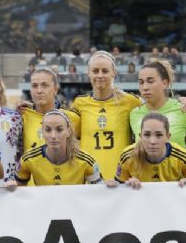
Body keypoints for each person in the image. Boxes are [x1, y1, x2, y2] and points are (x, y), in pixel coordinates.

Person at [71, 51, 141, 180]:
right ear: (89, 73)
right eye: (95, 71)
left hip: (121, 179)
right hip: (89, 179)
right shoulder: (79, 103)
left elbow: (156, 108)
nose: (100, 75)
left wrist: (181, 102)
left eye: (105, 71)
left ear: (114, 72)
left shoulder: (130, 101)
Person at [9, 110, 101, 187]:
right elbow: (18, 191)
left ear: (68, 131)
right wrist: (12, 187)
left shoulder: (86, 161)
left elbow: (101, 192)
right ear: (42, 132)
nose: (53, 136)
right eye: (48, 130)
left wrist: (108, 186)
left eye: (59, 129)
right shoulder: (28, 159)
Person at [129, 60, 186, 148]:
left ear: (165, 83)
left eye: (150, 81)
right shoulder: (134, 114)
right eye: (141, 82)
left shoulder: (185, 109)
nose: (145, 87)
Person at [113, 112, 186, 188]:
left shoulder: (183, 157)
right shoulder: (127, 156)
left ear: (168, 137)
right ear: (140, 136)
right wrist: (127, 185)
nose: (152, 141)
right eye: (147, 135)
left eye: (159, 135)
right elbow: (118, 191)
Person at [21, 67, 82, 155]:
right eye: (34, 86)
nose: (39, 91)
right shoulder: (22, 117)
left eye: (45, 85)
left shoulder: (72, 117)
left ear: (55, 90)